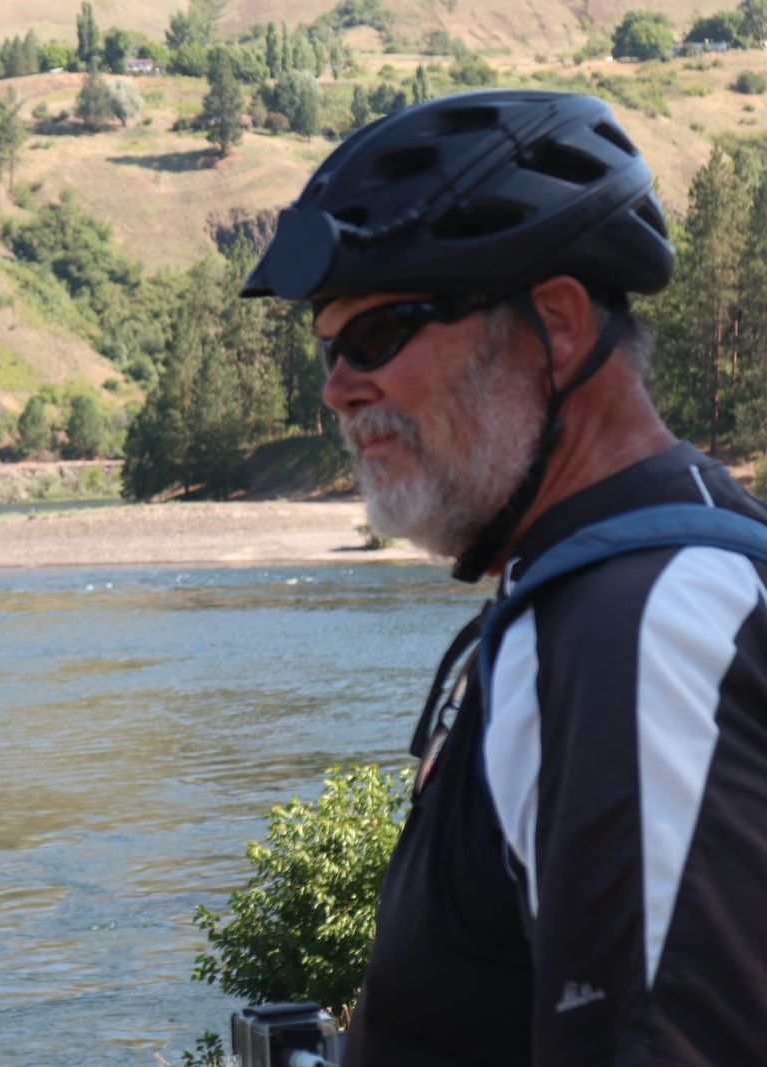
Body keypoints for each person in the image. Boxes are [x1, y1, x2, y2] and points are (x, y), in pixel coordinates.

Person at [241, 89, 767, 1065]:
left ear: (554, 324)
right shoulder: (596, 585)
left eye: (378, 334)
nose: (337, 388)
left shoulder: (650, 620)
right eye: (328, 348)